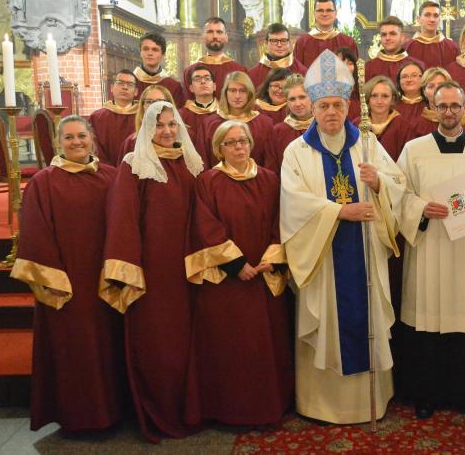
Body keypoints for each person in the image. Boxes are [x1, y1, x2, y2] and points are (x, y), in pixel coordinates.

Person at [280, 49, 406, 424]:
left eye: (338, 105)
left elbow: (398, 184)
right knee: (329, 322)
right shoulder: (297, 151)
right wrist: (339, 211)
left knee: (365, 319)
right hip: (324, 257)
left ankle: (368, 402)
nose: (331, 112)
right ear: (312, 108)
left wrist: (378, 182)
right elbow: (294, 203)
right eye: (324, 106)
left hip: (364, 249)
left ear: (348, 106)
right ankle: (322, 404)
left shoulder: (366, 144)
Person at [396, 80, 465, 419]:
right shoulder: (414, 149)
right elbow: (399, 195)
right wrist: (421, 209)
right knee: (428, 324)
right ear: (432, 108)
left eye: (455, 105)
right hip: (429, 246)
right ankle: (427, 395)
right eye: (442, 106)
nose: (448, 112)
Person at [99, 101, 204, 442]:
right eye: (160, 125)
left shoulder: (191, 163)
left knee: (189, 343)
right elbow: (123, 219)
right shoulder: (135, 165)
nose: (167, 131)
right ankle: (157, 411)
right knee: (158, 343)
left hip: (189, 269)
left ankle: (190, 408)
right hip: (153, 272)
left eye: (172, 124)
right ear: (147, 128)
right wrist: (130, 269)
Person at [10, 116, 122, 433]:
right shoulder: (43, 183)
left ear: (92, 139)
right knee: (74, 347)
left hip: (105, 276)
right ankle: (78, 417)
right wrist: (53, 279)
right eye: (69, 137)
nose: (76, 142)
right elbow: (35, 233)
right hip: (67, 281)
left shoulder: (111, 177)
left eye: (82, 136)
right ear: (58, 142)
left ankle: (114, 411)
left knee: (108, 344)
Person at [185, 120, 292, 427]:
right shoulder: (208, 181)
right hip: (227, 281)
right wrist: (236, 265)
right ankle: (230, 410)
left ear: (251, 143)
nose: (238, 147)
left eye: (242, 140)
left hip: (264, 274)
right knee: (231, 347)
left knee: (265, 346)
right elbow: (205, 226)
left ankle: (270, 406)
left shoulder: (270, 179)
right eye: (230, 143)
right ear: (219, 149)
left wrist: (273, 258)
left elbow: (283, 219)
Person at [199, 71, 272, 167]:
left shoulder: (265, 124)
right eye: (233, 90)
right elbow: (203, 162)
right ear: (225, 93)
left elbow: (270, 162)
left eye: (242, 91)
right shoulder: (209, 124)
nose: (237, 96)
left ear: (249, 93)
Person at [183, 17, 247, 100]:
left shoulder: (239, 70)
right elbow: (188, 103)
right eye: (210, 32)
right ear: (203, 37)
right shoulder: (190, 71)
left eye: (219, 32)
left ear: (226, 37)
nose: (215, 36)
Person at [264, 74, 312, 173]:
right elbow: (272, 170)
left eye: (302, 97)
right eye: (292, 99)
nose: (298, 104)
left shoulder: (324, 127)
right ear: (287, 102)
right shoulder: (278, 132)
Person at [89, 69, 139, 165]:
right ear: (111, 88)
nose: (125, 87)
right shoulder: (97, 117)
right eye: (120, 83)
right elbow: (94, 148)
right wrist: (109, 170)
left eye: (130, 84)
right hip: (105, 171)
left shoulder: (143, 116)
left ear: (136, 91)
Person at [117, 85, 178, 163]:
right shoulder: (131, 142)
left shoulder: (182, 138)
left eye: (159, 101)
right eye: (149, 102)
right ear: (142, 106)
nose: (153, 106)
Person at [294, 0, 359, 67]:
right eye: (320, 10)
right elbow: (296, 70)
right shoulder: (302, 42)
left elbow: (354, 70)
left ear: (335, 13)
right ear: (314, 14)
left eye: (329, 10)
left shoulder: (348, 42)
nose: (324, 14)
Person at [366, 16, 425, 83]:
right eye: (384, 34)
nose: (387, 38)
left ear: (402, 37)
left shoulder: (417, 65)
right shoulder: (369, 67)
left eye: (392, 34)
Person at [248, 23, 307, 88]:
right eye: (274, 41)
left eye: (283, 40)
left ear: (289, 42)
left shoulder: (302, 72)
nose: (279, 45)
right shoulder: (253, 75)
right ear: (266, 43)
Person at [134, 32, 185, 107]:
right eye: (145, 49)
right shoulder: (130, 82)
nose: (150, 53)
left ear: (163, 55)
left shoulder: (173, 86)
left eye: (155, 50)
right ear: (140, 53)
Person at [405, 1, 460, 69]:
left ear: (439, 20)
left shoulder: (452, 48)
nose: (432, 19)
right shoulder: (407, 48)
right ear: (418, 19)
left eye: (436, 16)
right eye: (427, 15)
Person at [404, 67, 453, 142]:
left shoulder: (462, 119)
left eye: (441, 85)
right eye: (431, 86)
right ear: (424, 92)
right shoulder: (417, 126)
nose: (437, 90)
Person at [363, 75, 406, 161]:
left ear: (392, 99)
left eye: (385, 96)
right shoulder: (358, 124)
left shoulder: (403, 126)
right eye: (374, 96)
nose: (379, 101)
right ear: (368, 98)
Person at [180, 65, 220, 136]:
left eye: (207, 78)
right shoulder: (182, 115)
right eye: (197, 79)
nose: (203, 81)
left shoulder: (224, 112)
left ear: (214, 86)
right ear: (191, 88)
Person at [394, 61, 426, 139]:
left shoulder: (430, 107)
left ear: (423, 79)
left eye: (414, 75)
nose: (409, 79)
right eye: (404, 76)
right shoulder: (391, 107)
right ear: (399, 81)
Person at [336, 47, 362, 121]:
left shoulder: (361, 91)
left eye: (350, 63)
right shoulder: (326, 92)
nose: (345, 67)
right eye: (341, 63)